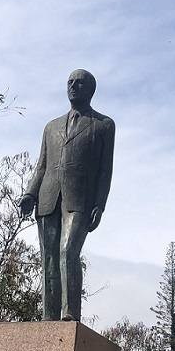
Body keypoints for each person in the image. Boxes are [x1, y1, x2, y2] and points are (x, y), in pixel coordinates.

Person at [18, 69, 115, 322]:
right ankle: (49, 315)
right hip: (48, 197)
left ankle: (70, 312)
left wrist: (100, 204)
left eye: (79, 83)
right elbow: (41, 165)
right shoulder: (51, 127)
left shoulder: (103, 125)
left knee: (68, 251)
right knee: (48, 258)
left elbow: (106, 170)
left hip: (80, 199)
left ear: (90, 89)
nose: (73, 86)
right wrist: (30, 193)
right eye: (70, 82)